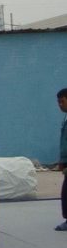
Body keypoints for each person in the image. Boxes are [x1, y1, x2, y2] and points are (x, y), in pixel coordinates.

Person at [55, 88, 67, 231]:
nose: (60, 105)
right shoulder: (65, 119)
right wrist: (62, 160)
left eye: (62, 101)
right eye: (58, 102)